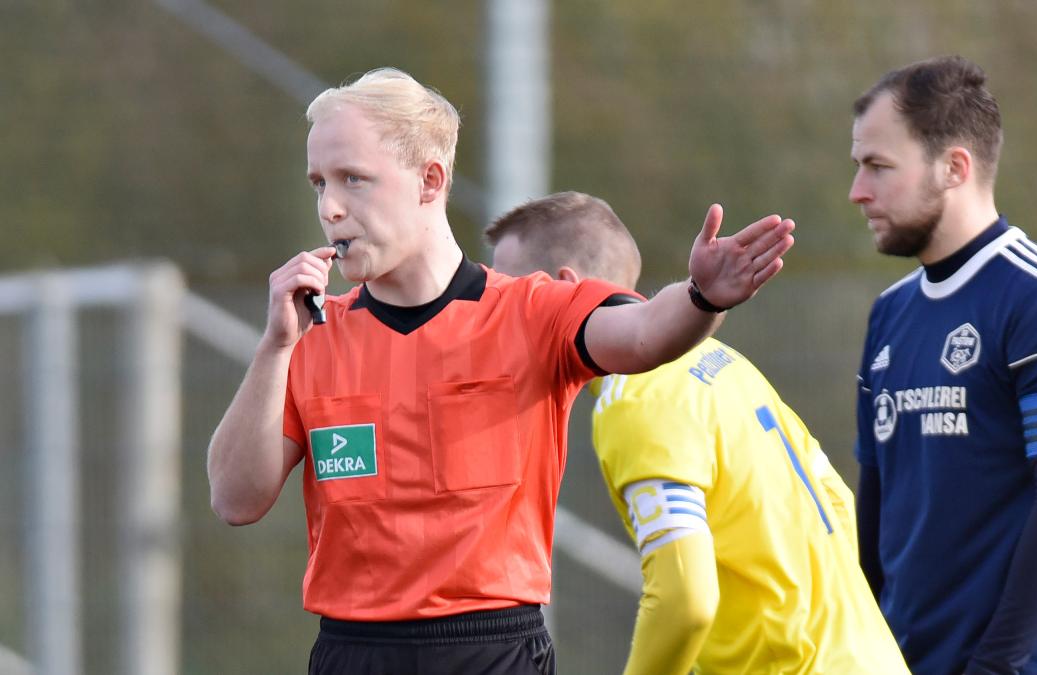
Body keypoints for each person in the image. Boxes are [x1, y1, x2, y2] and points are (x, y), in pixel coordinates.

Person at [204, 68, 793, 675]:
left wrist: (703, 295)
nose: (329, 207)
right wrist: (275, 347)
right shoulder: (309, 334)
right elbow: (234, 498)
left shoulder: (531, 311)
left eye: (354, 179)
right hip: (351, 654)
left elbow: (643, 336)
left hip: (491, 652)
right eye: (319, 182)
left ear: (429, 181)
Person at [488, 191, 909, 675]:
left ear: (564, 290)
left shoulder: (637, 398)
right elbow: (837, 508)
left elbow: (685, 599)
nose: (498, 315)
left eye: (511, 295)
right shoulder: (726, 366)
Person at [848, 56, 1037, 675]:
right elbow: (874, 514)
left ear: (954, 167)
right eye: (858, 167)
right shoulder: (889, 315)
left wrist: (996, 665)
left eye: (878, 167)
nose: (858, 191)